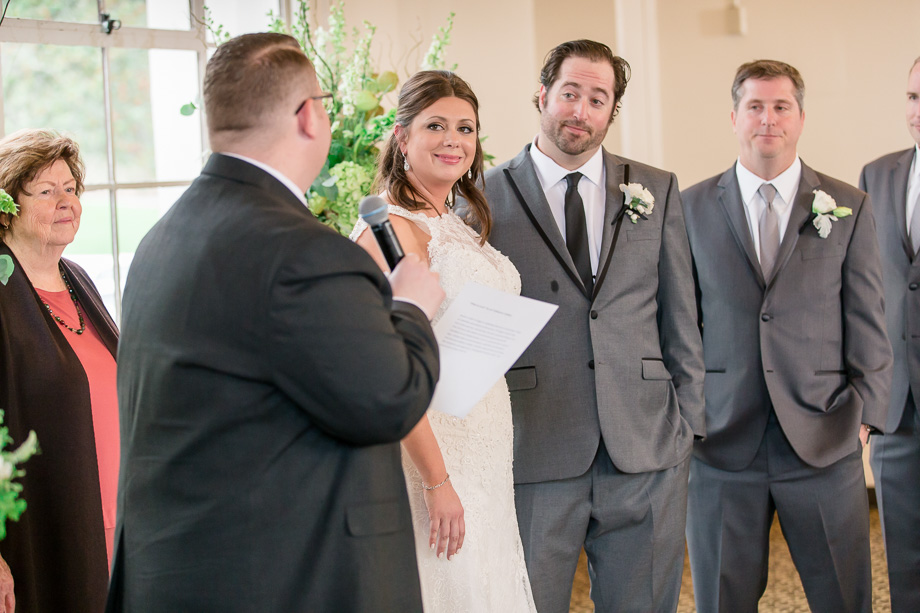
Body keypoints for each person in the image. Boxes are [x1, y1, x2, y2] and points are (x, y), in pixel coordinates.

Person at [106, 33, 444, 612]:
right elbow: (389, 400)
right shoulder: (302, 252)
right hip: (285, 578)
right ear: (310, 116)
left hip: (183, 571)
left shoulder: (160, 239)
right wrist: (410, 307)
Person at [482, 40, 705, 612]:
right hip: (537, 440)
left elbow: (682, 313)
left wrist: (688, 425)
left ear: (611, 111)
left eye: (597, 99)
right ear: (543, 95)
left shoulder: (655, 188)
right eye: (570, 93)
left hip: (648, 444)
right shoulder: (485, 194)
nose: (581, 111)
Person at [682, 59, 892, 613]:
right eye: (755, 106)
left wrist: (865, 409)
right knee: (721, 601)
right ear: (733, 117)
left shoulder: (849, 206)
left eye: (781, 107)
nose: (767, 119)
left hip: (824, 436)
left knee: (844, 598)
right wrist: (688, 411)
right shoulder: (689, 208)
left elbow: (868, 314)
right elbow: (681, 322)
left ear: (800, 118)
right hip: (721, 441)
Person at [352, 70, 536, 612]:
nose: (453, 140)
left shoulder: (455, 219)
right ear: (402, 135)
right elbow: (383, 369)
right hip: (432, 450)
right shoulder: (391, 229)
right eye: (436, 126)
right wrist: (436, 482)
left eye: (466, 128)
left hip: (484, 436)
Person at [0, 129, 119, 613]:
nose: (66, 201)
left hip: (112, 521)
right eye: (47, 191)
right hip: (39, 535)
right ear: (7, 206)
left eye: (71, 188)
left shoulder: (79, 279)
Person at [859, 55, 920, 613]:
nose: (918, 111)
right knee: (903, 553)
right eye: (913, 97)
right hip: (896, 405)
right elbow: (865, 293)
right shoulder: (877, 175)